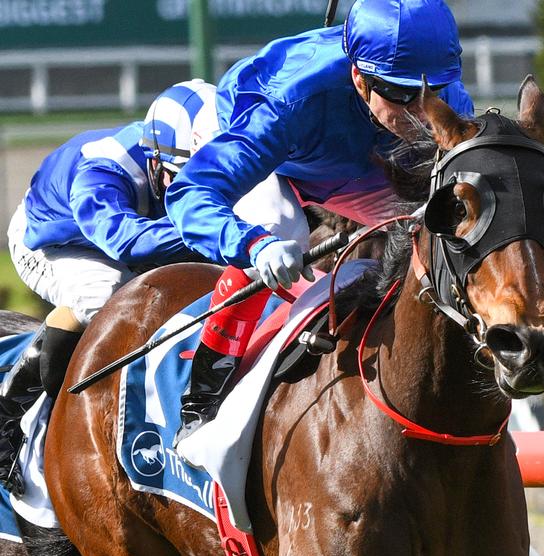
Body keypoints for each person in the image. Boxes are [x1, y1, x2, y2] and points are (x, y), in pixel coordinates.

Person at [165, 0, 475, 446]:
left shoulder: (447, 100)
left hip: (354, 164)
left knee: (439, 223)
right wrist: (252, 244)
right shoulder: (292, 99)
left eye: (433, 91)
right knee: (280, 225)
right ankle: (203, 395)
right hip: (271, 156)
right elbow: (191, 193)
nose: (422, 112)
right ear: (358, 78)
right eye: (401, 94)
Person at [0, 78, 219, 493]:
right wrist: (213, 233)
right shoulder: (104, 168)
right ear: (156, 162)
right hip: (55, 241)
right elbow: (124, 242)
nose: (193, 195)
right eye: (183, 181)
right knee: (107, 293)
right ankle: (9, 410)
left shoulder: (179, 154)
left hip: (125, 233)